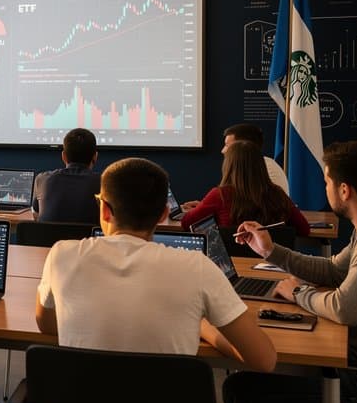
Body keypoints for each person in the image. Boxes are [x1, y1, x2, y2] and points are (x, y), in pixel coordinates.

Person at [35, 157, 276, 370]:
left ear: (105, 210)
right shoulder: (197, 267)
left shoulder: (61, 255)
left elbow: (46, 325)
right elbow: (264, 360)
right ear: (163, 214)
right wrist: (203, 328)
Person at [224, 141, 357, 403]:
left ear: (344, 190)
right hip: (352, 372)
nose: (325, 188)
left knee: (242, 392)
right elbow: (332, 270)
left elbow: (345, 307)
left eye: (327, 181)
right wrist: (270, 251)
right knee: (252, 393)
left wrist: (297, 293)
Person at [179, 140, 310, 236]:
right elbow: (304, 229)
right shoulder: (278, 193)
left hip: (231, 267)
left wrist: (205, 207)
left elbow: (186, 223)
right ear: (260, 165)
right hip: (274, 265)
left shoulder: (220, 195)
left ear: (229, 166)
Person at [183, 123, 289, 211]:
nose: (223, 151)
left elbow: (248, 211)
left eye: (227, 145)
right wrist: (207, 207)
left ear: (243, 146)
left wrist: (208, 207)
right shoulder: (266, 166)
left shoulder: (255, 171)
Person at [32, 128, 101, 225]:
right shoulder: (105, 183)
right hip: (89, 240)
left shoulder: (42, 179)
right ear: (95, 157)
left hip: (49, 240)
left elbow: (36, 214)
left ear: (63, 156)